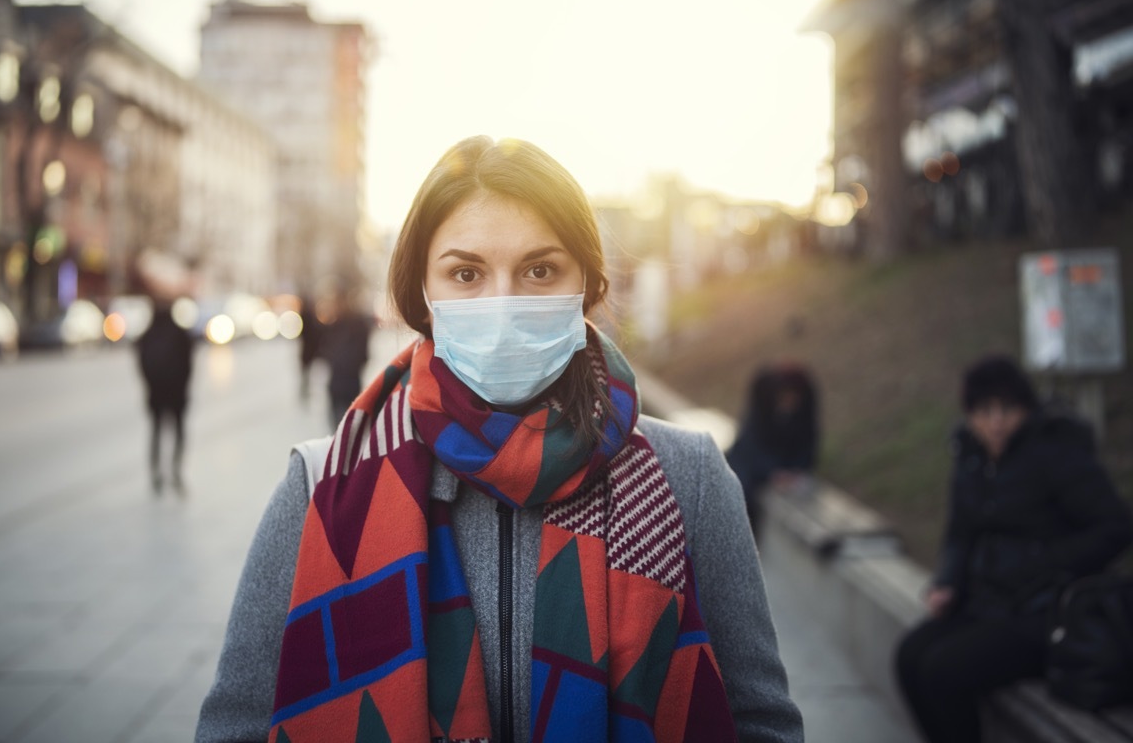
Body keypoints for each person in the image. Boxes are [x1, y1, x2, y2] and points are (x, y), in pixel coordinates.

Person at [196, 136, 803, 743]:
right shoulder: (320, 487)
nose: (504, 302)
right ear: (424, 295)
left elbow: (760, 724)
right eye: (466, 273)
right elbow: (236, 728)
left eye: (540, 270)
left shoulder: (688, 477)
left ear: (587, 284)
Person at [894, 354, 1132, 743]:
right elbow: (959, 532)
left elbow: (1116, 527)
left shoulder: (1055, 453)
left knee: (942, 672)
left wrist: (1044, 561)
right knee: (909, 656)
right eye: (984, 411)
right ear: (969, 414)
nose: (996, 422)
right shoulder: (969, 455)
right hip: (986, 601)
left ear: (1026, 409)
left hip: (1044, 613)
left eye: (1007, 409)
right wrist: (947, 582)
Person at [724, 362, 819, 540]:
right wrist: (772, 472)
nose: (789, 403)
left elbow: (808, 441)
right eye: (785, 397)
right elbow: (750, 443)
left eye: (793, 398)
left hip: (784, 464)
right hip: (750, 463)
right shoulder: (763, 392)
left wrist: (796, 470)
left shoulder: (806, 396)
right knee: (742, 490)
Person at [136, 300, 194, 495]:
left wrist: (150, 385)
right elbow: (189, 366)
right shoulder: (180, 334)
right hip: (176, 394)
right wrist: (184, 387)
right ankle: (175, 469)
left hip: (156, 394)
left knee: (156, 433)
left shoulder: (148, 335)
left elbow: (142, 365)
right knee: (178, 432)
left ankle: (156, 472)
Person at [319, 285, 373, 432]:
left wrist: (344, 362)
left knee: (347, 429)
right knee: (337, 427)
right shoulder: (333, 323)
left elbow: (363, 354)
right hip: (336, 385)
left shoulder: (357, 323)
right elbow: (324, 347)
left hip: (349, 384)